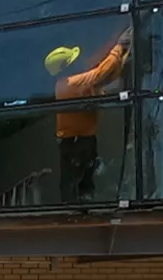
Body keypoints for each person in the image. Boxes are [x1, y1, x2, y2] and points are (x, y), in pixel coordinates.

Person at [46, 28, 132, 201]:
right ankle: (74, 213)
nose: (80, 62)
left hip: (80, 139)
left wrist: (121, 56)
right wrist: (119, 48)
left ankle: (82, 206)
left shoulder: (71, 84)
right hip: (75, 142)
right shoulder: (70, 84)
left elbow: (104, 77)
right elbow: (99, 74)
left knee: (83, 180)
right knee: (75, 183)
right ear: (67, 67)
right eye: (74, 61)